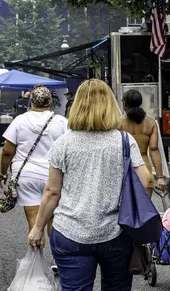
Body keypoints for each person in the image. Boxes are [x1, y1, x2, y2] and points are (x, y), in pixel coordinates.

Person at [28, 79, 151, 291]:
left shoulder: (64, 142)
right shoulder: (123, 140)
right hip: (116, 232)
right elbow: (146, 180)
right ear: (110, 105)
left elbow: (52, 192)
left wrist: (38, 228)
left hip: (70, 232)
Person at [0, 85, 68, 251]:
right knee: (53, 218)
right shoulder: (61, 122)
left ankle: (37, 265)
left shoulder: (20, 120)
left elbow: (8, 152)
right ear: (51, 103)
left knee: (34, 223)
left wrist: (2, 173)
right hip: (53, 177)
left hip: (27, 177)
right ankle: (58, 261)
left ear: (31, 102)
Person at [120, 89, 166, 196]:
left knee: (126, 210)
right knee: (144, 209)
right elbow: (154, 150)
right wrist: (160, 177)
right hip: (144, 169)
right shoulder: (150, 123)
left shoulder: (117, 123)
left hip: (124, 168)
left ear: (124, 103)